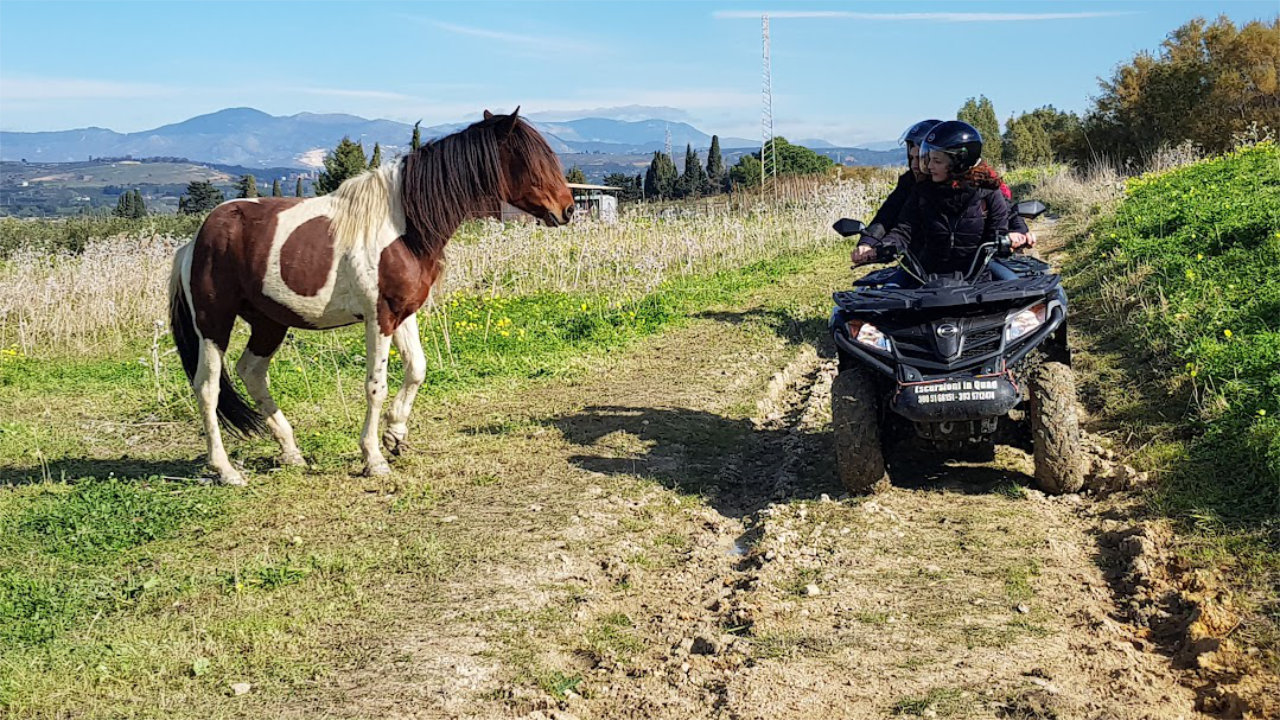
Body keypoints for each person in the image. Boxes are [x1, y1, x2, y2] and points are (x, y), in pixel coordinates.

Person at [852, 120, 1029, 275]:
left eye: (936, 161)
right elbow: (898, 224)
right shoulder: (919, 189)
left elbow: (1005, 218)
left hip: (976, 274)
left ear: (957, 161)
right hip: (923, 271)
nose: (924, 166)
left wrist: (1016, 236)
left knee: (1026, 295)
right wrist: (877, 247)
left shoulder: (987, 188)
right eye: (920, 159)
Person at [863, 118, 940, 241]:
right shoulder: (909, 182)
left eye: (921, 158)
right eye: (911, 158)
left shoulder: (960, 189)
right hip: (915, 255)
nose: (915, 165)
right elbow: (889, 214)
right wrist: (868, 242)